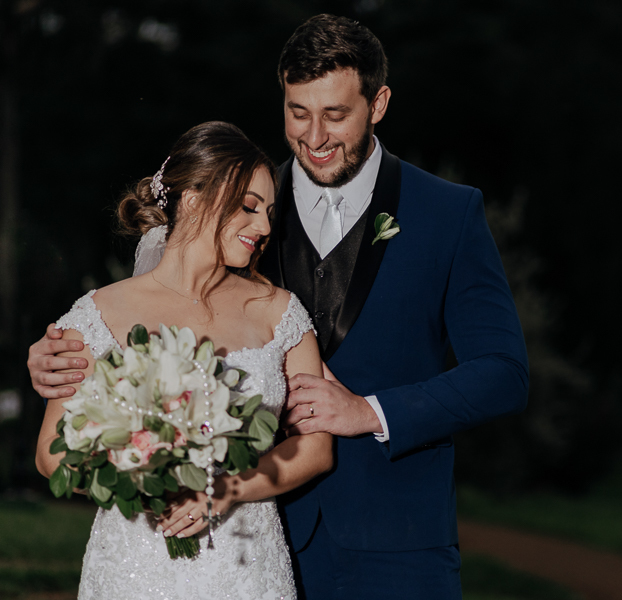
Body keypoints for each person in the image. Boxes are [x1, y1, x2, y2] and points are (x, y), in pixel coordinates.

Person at [29, 14, 529, 599]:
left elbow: (503, 374)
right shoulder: (237, 211)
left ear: (380, 102)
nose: (314, 136)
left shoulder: (448, 214)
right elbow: (149, 321)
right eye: (298, 113)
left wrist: (371, 412)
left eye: (336, 115)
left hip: (396, 548)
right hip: (258, 545)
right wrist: (57, 358)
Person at [33, 121, 332, 600]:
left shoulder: (281, 312)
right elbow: (51, 453)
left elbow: (316, 449)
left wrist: (227, 490)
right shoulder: (97, 315)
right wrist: (141, 481)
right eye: (249, 208)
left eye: (270, 212)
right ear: (193, 199)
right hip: (133, 564)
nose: (264, 227)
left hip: (247, 566)